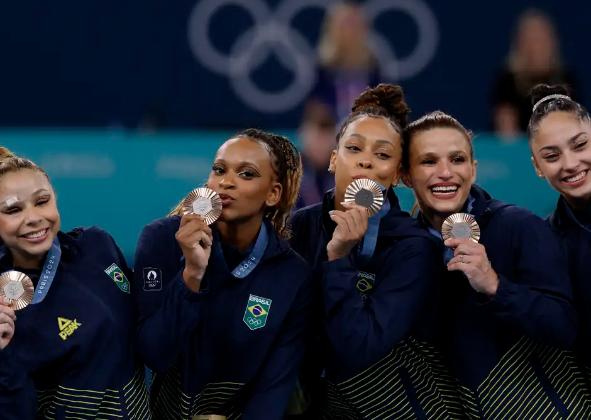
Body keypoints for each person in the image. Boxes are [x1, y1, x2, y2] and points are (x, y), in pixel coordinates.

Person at [402, 110, 591, 418]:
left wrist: (495, 286)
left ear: (474, 169)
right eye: (429, 161)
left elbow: (564, 326)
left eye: (458, 159)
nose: (446, 172)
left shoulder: (519, 226)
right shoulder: (406, 250)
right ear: (406, 174)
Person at [290, 84, 463, 419]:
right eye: (355, 148)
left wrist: (339, 258)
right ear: (333, 159)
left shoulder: (415, 248)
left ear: (398, 173)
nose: (366, 161)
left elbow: (359, 348)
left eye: (382, 155)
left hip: (403, 408)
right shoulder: (301, 227)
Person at [133, 129, 313, 419]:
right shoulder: (162, 240)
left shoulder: (293, 276)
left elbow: (273, 389)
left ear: (273, 193)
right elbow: (156, 354)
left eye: (247, 174)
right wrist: (192, 273)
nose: (226, 182)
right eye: (219, 170)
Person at [0, 148, 150, 420]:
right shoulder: (3, 305)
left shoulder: (97, 245)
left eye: (42, 201)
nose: (34, 217)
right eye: (13, 209)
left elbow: (151, 327)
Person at [528, 84, 591, 385]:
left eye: (580, 145)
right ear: (537, 167)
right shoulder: (544, 242)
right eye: (552, 156)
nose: (570, 164)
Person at [490, 8, 580, 137]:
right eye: (531, 41)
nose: (536, 47)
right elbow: (506, 133)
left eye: (541, 40)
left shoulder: (566, 78)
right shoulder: (507, 80)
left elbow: (574, 124)